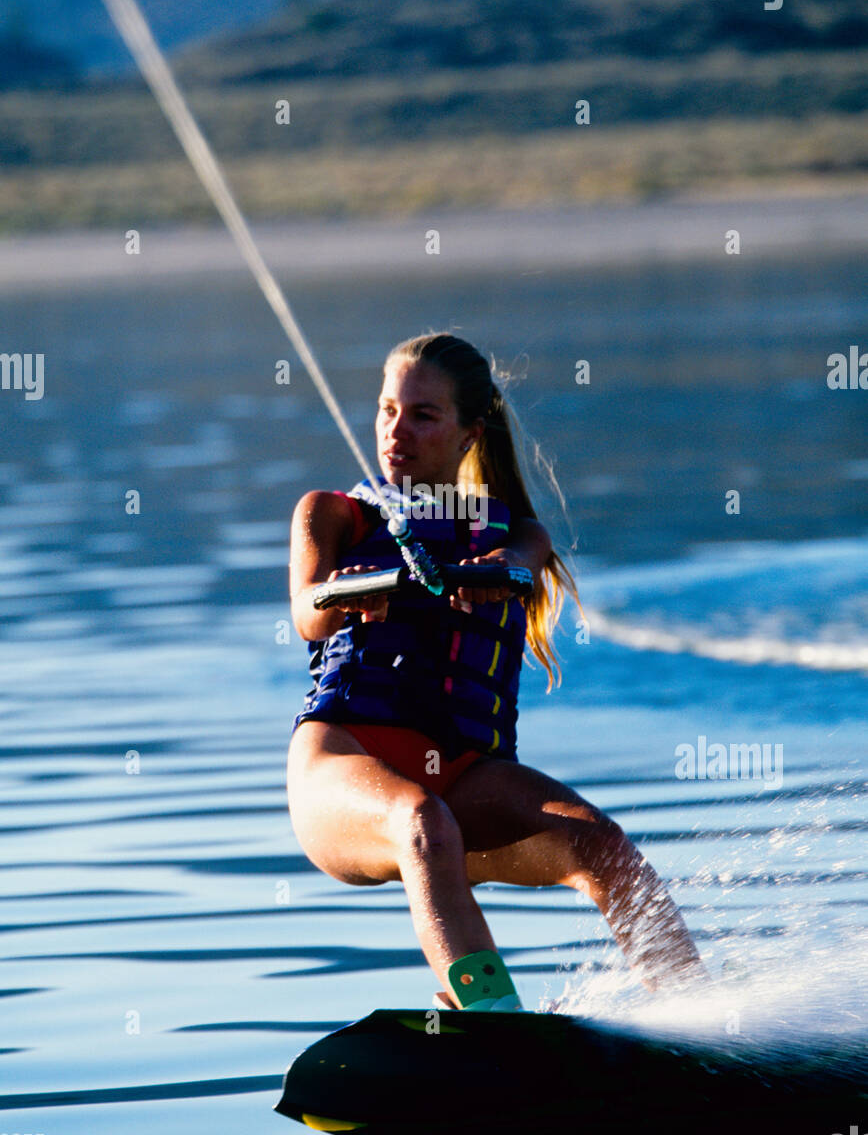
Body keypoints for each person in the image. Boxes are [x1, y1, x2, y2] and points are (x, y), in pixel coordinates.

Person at [286, 332, 707, 1012]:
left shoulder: (516, 534)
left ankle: (710, 1024)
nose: (397, 432)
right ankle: (494, 1021)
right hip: (342, 764)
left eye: (423, 415)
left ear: (468, 433)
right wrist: (353, 590)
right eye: (388, 410)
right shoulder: (333, 514)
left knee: (603, 847)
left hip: (463, 776)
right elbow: (307, 610)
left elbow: (523, 560)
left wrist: (490, 573)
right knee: (421, 824)